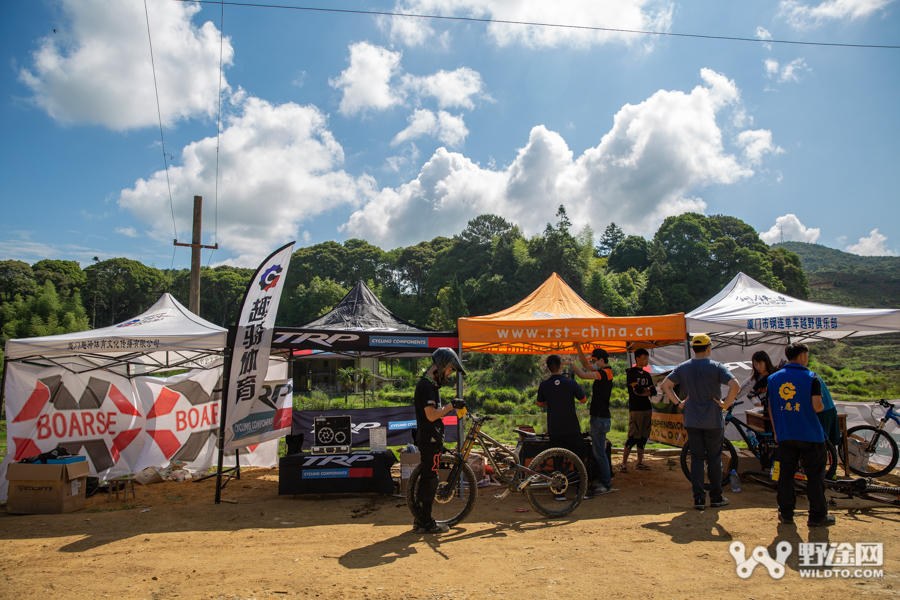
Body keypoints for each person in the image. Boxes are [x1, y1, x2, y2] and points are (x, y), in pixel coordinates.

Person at [661, 334, 740, 511]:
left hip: (692, 420)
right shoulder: (716, 367)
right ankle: (716, 497)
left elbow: (665, 385)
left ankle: (699, 499)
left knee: (696, 458)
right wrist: (724, 405)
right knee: (714, 459)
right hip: (713, 420)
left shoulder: (683, 367)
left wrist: (679, 403)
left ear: (693, 348)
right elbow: (735, 385)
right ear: (709, 348)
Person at [767, 343, 834, 527]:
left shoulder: (773, 378)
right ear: (803, 356)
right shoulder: (812, 377)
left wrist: (776, 430)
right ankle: (817, 516)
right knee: (814, 476)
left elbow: (772, 407)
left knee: (786, 475)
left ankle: (786, 513)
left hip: (785, 434)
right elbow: (817, 406)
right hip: (810, 434)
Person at [411, 348, 466, 534]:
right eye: (450, 369)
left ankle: (420, 520)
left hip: (430, 438)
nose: (450, 373)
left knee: (428, 478)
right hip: (429, 439)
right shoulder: (427, 387)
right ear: (442, 366)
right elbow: (431, 414)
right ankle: (425, 522)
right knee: (430, 480)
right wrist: (451, 406)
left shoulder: (430, 385)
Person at [537, 354, 588, 501]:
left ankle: (559, 491)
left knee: (557, 459)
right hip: (572, 427)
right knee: (579, 459)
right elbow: (583, 400)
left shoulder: (544, 385)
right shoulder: (571, 383)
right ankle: (580, 490)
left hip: (554, 428)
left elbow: (540, 403)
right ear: (561, 366)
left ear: (547, 368)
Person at [568, 344, 615, 495]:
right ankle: (604, 481)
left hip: (600, 418)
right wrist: (578, 348)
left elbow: (582, 374)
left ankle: (606, 484)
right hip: (599, 417)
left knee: (600, 453)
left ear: (601, 360)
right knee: (599, 452)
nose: (593, 363)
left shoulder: (605, 373)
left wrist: (570, 365)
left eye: (595, 361)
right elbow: (585, 365)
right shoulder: (602, 371)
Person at [620, 348, 656, 472]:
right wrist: (645, 391)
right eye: (645, 358)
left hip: (647, 408)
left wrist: (643, 391)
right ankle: (623, 463)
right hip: (636, 409)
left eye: (647, 358)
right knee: (633, 437)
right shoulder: (631, 372)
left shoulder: (646, 374)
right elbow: (639, 390)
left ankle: (640, 462)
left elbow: (654, 391)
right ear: (637, 359)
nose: (646, 361)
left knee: (643, 437)